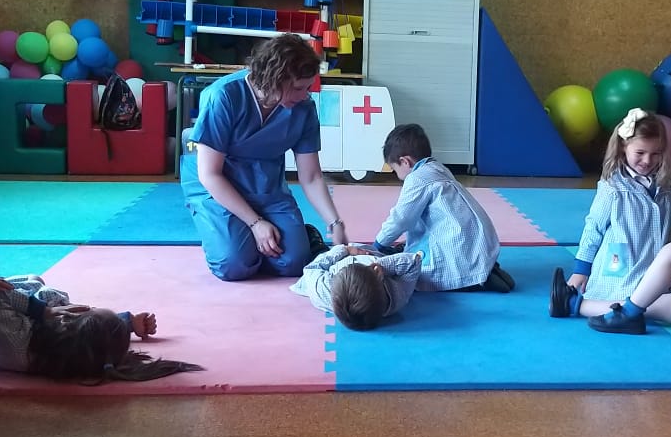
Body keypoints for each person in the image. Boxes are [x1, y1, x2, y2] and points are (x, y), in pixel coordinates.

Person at [181, 35, 346, 280]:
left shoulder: (303, 108)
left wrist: (335, 223)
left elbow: (311, 176)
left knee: (294, 262)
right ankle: (237, 239)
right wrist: (255, 223)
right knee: (233, 265)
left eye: (308, 87)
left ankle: (298, 236)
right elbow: (210, 174)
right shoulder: (224, 96)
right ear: (274, 79)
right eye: (298, 88)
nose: (305, 95)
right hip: (216, 185)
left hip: (264, 183)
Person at [0, 275, 198, 381]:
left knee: (24, 283)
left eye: (86, 310)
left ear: (67, 321)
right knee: (38, 283)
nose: (78, 307)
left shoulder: (10, 338)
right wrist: (125, 322)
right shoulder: (68, 352)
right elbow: (54, 298)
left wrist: (43, 309)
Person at [549, 108, 671, 318]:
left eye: (655, 154)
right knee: (632, 300)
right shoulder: (613, 187)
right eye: (640, 153)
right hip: (622, 269)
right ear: (624, 146)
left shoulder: (665, 189)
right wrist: (581, 270)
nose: (647, 160)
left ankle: (575, 304)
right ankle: (573, 303)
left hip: (654, 269)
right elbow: (594, 227)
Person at [373, 123, 514, 292]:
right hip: (481, 247)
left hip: (459, 253)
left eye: (395, 170)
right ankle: (484, 271)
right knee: (409, 246)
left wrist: (379, 244)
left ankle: (472, 279)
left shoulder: (416, 178)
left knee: (408, 274)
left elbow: (400, 219)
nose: (398, 176)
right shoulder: (439, 169)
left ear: (405, 161)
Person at [290, 245, 424, 330]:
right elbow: (414, 261)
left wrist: (345, 250)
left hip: (340, 257)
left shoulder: (324, 290)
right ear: (379, 277)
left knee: (320, 253)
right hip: (373, 254)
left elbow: (311, 269)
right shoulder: (398, 297)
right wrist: (382, 265)